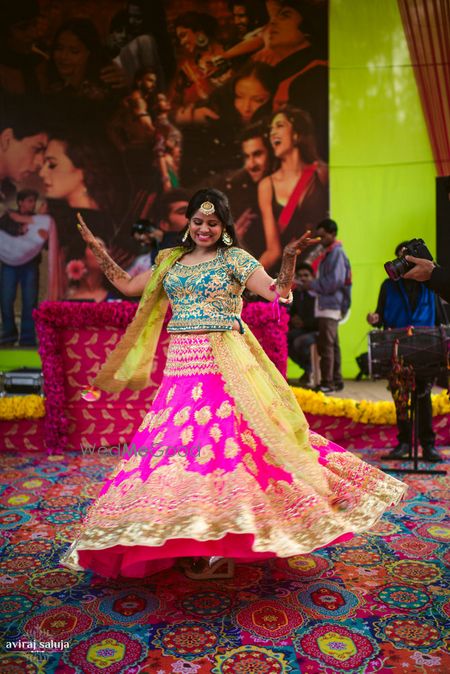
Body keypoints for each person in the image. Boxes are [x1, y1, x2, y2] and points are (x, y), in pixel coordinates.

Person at [60, 187, 406, 580]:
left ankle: (223, 543)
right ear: (188, 224)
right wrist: (98, 248)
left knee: (224, 446)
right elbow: (126, 285)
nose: (204, 228)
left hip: (223, 364)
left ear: (223, 226)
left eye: (212, 223)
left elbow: (277, 292)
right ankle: (187, 536)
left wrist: (289, 258)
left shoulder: (235, 259)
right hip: (180, 368)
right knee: (177, 450)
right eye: (198, 222)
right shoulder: (170, 260)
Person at [367, 242, 444, 462]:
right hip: (397, 348)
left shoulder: (431, 285)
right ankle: (403, 443)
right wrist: (374, 318)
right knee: (401, 398)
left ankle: (428, 446)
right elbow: (380, 316)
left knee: (423, 397)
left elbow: (439, 318)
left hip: (425, 349)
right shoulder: (388, 285)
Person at [258, 106, 328, 272]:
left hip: (322, 271)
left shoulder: (322, 173)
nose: (272, 133)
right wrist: (245, 281)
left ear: (296, 133)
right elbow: (273, 251)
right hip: (289, 276)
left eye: (280, 126)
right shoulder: (267, 185)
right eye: (270, 129)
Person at [310, 218, 351, 393]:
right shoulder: (329, 253)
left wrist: (311, 285)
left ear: (333, 234)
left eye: (323, 236)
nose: (320, 240)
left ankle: (328, 383)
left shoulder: (337, 254)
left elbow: (334, 282)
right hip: (328, 304)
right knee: (332, 345)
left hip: (331, 305)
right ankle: (336, 380)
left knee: (326, 345)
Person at [0, 189, 41, 345]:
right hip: (9, 265)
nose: (32, 204)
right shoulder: (7, 217)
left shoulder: (38, 219)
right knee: (5, 299)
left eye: (33, 201)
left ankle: (27, 339)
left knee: (30, 302)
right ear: (20, 202)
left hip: (30, 265)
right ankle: (9, 334)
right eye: (29, 201)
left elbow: (43, 237)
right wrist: (18, 230)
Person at [288, 262, 318, 386]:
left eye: (306, 275)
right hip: (302, 330)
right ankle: (308, 369)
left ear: (313, 278)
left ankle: (311, 371)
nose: (303, 278)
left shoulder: (318, 294)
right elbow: (290, 312)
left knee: (300, 342)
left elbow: (320, 320)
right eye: (300, 276)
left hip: (317, 330)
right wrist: (293, 319)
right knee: (284, 340)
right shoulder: (296, 294)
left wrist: (304, 323)